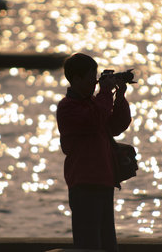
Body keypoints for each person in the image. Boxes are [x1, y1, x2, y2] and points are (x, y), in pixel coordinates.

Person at [56, 53, 131, 252]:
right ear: (77, 79)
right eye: (91, 77)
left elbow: (116, 126)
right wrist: (105, 93)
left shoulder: (94, 103)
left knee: (108, 246)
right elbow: (94, 121)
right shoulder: (67, 107)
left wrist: (119, 97)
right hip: (84, 183)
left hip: (104, 181)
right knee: (90, 246)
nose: (95, 81)